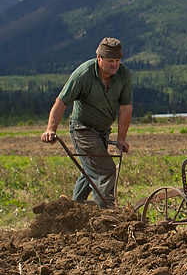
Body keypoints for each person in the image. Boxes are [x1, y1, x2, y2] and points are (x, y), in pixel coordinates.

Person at [40, 37, 132, 208]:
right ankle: (107, 216)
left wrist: (121, 139)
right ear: (99, 58)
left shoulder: (124, 75)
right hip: (82, 129)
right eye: (110, 61)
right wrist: (50, 129)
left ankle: (74, 210)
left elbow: (125, 108)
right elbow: (62, 102)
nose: (114, 65)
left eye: (117, 61)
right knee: (105, 170)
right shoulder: (84, 73)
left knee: (90, 170)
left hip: (103, 131)